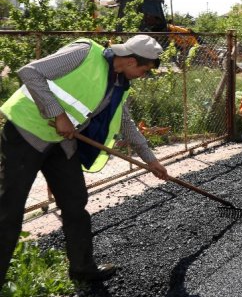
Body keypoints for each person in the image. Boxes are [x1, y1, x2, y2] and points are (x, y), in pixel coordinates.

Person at [0, 34, 169, 284]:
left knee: (75, 204)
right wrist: (58, 114)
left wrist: (150, 159)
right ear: (132, 61)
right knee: (8, 211)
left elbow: (125, 120)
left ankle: (83, 268)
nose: (143, 76)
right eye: (144, 70)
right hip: (27, 133)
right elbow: (30, 72)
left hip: (62, 143)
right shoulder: (85, 52)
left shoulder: (119, 84)